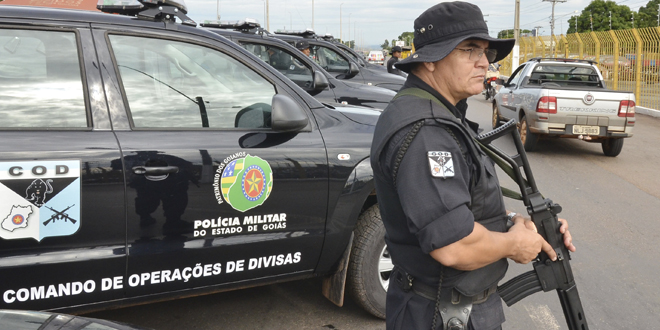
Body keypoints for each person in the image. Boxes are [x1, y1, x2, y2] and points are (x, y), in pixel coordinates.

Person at [370, 2, 576, 330]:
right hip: (442, 314)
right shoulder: (426, 132)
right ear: (431, 60)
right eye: (470, 50)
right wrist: (514, 245)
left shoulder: (441, 113)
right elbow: (453, 245)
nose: (485, 62)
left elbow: (459, 204)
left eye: (486, 51)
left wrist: (517, 224)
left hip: (450, 308)